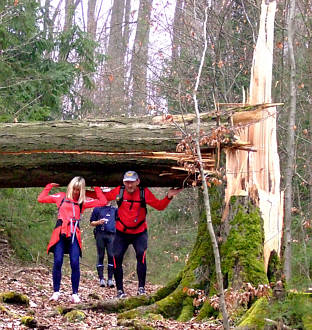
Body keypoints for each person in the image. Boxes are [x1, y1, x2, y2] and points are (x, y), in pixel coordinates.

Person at [87, 171, 182, 298]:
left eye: (132, 182)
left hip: (139, 232)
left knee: (141, 256)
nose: (129, 185)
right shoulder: (119, 191)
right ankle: (120, 290)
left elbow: (159, 206)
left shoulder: (144, 192)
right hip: (121, 232)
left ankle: (141, 289)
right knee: (116, 257)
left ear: (138, 182)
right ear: (123, 182)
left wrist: (169, 196)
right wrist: (82, 191)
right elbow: (102, 197)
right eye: (127, 182)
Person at [38, 176, 107, 303]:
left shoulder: (82, 202)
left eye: (79, 190)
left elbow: (103, 201)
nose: (76, 192)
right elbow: (41, 199)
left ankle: (75, 293)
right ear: (70, 187)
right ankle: (56, 292)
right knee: (57, 261)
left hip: (74, 233)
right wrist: (49, 186)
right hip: (60, 232)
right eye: (74, 189)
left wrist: (96, 188)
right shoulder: (61, 197)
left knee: (75, 262)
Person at [89, 190, 117, 288]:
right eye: (104, 195)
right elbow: (91, 222)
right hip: (100, 234)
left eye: (108, 195)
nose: (106, 197)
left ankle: (110, 279)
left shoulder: (114, 210)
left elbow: (119, 222)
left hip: (112, 235)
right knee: (100, 255)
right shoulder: (97, 209)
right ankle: (101, 279)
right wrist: (98, 222)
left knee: (111, 255)